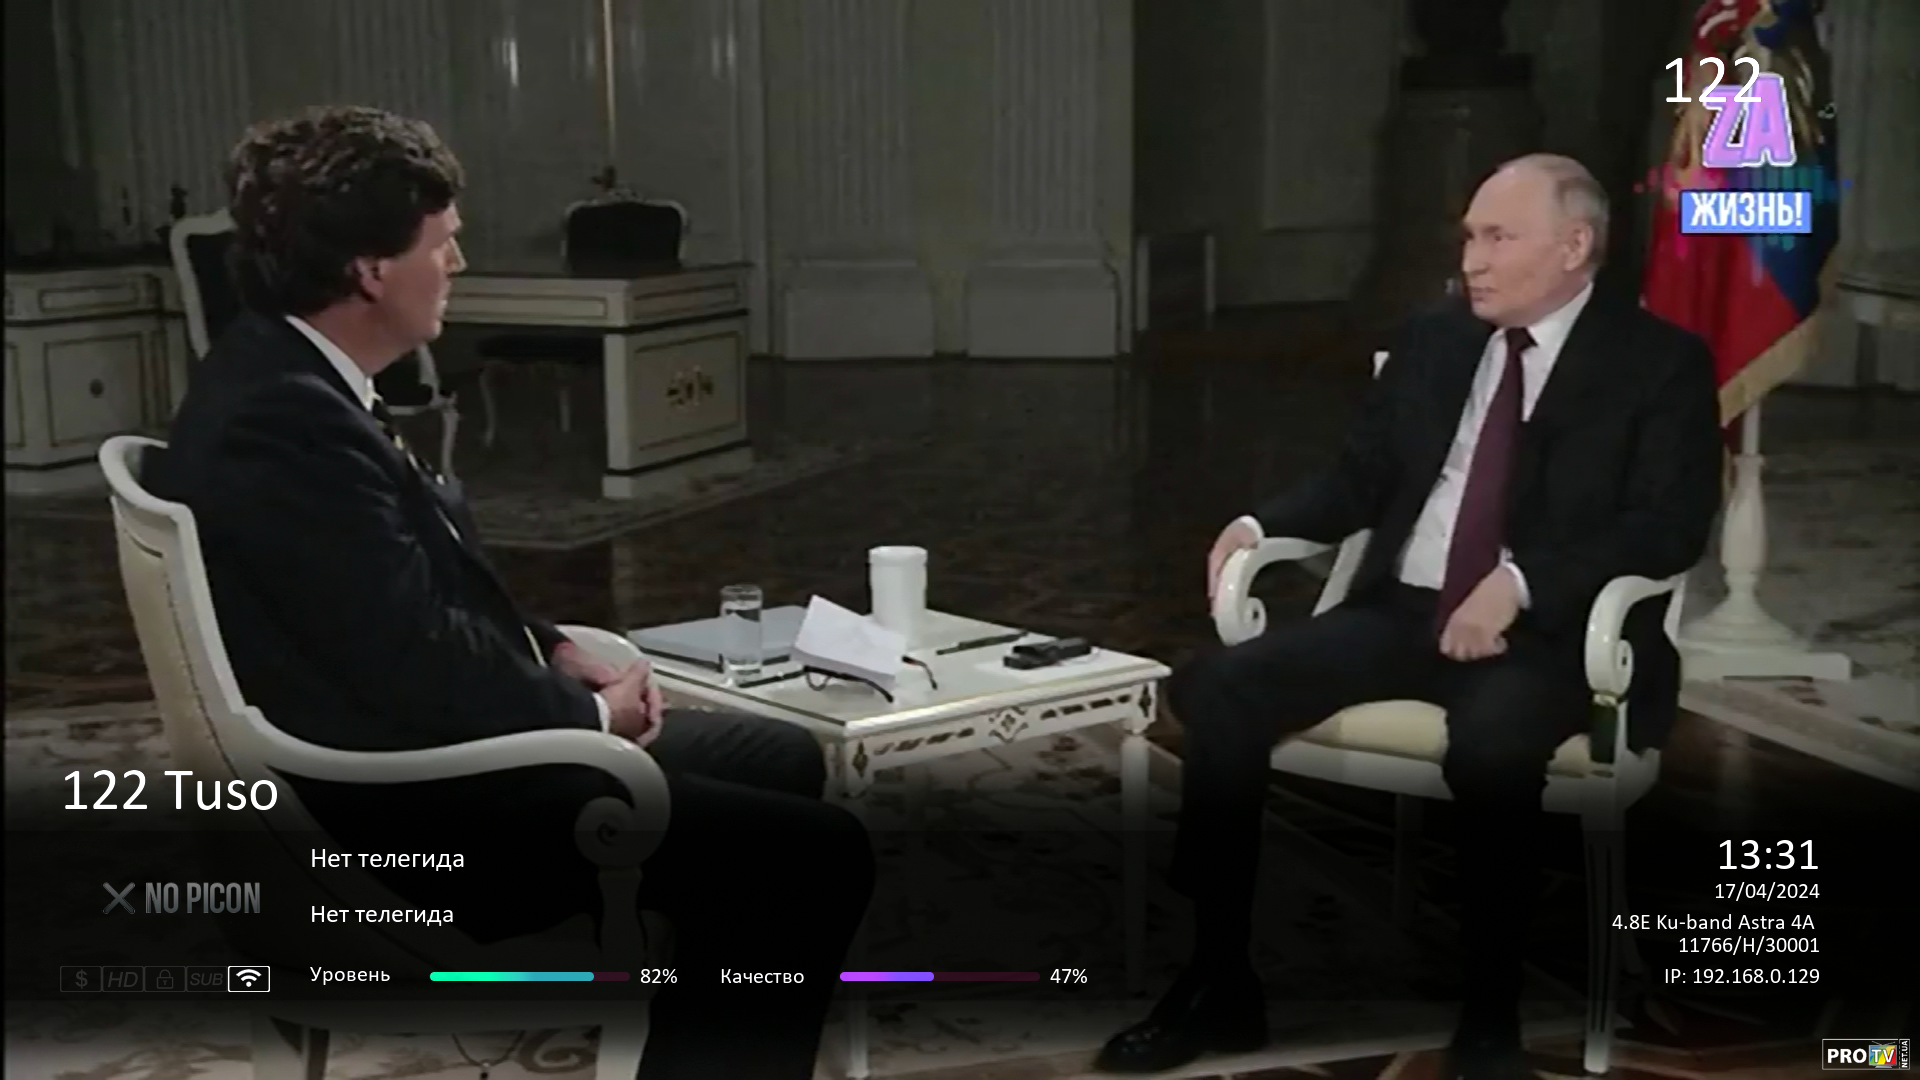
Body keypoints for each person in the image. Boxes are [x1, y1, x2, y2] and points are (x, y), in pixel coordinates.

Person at [146, 106, 873, 1080]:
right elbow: (414, 662)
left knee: (779, 755)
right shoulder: (284, 424)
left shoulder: (279, 373)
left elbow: (403, 583)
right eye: (441, 243)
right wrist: (592, 717)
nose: (457, 262)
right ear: (370, 269)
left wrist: (553, 647)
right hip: (409, 815)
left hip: (410, 746)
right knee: (817, 854)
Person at [1097, 154, 1722, 1080]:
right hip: (1403, 610)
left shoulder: (1659, 362)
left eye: (1498, 237)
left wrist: (1520, 583)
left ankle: (1489, 1019)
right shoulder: (1436, 337)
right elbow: (1361, 473)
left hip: (1549, 637)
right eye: (1469, 236)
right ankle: (1218, 979)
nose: (1471, 259)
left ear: (1574, 246)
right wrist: (1258, 524)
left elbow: (1666, 525)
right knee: (1220, 687)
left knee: (1493, 746)